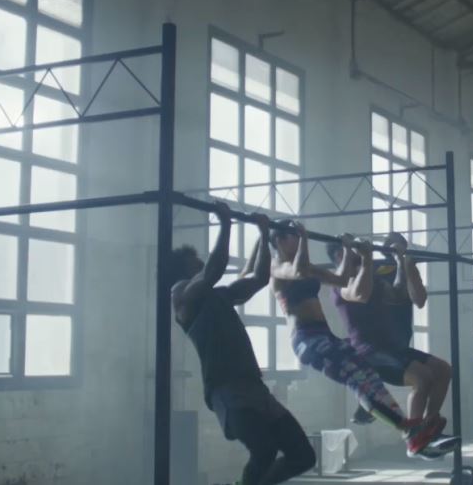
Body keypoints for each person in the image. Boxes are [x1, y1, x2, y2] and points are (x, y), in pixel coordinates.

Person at [265, 220, 456, 459]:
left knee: (368, 378)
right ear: (280, 240)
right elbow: (301, 271)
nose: (300, 241)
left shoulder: (320, 269)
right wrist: (304, 236)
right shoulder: (278, 266)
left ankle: (412, 428)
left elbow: (340, 278)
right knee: (361, 378)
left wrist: (360, 252)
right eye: (293, 236)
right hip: (307, 340)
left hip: (327, 337)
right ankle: (410, 433)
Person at [171, 204, 315, 485]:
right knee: (264, 451)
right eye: (194, 261)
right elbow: (213, 270)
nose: (200, 263)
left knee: (303, 456)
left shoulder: (218, 295)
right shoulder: (181, 296)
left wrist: (263, 234)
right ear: (182, 270)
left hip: (254, 386)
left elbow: (259, 278)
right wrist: (225, 223)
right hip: (227, 389)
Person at [327, 232, 453, 437]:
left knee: (443, 369)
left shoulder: (374, 277)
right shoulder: (342, 283)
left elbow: (400, 295)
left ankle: (429, 425)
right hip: (371, 350)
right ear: (342, 256)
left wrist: (402, 262)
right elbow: (360, 294)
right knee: (422, 378)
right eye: (352, 250)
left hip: (394, 346)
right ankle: (414, 434)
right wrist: (367, 258)